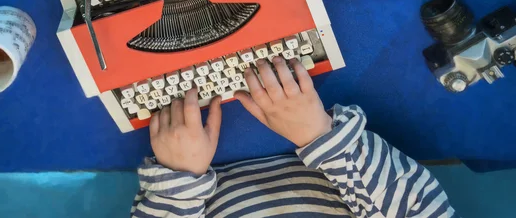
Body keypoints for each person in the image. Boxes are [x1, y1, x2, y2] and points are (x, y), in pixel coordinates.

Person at [131, 56, 456, 217]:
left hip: (196, 161)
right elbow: (418, 201)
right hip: (314, 128)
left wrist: (179, 182)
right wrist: (319, 134)